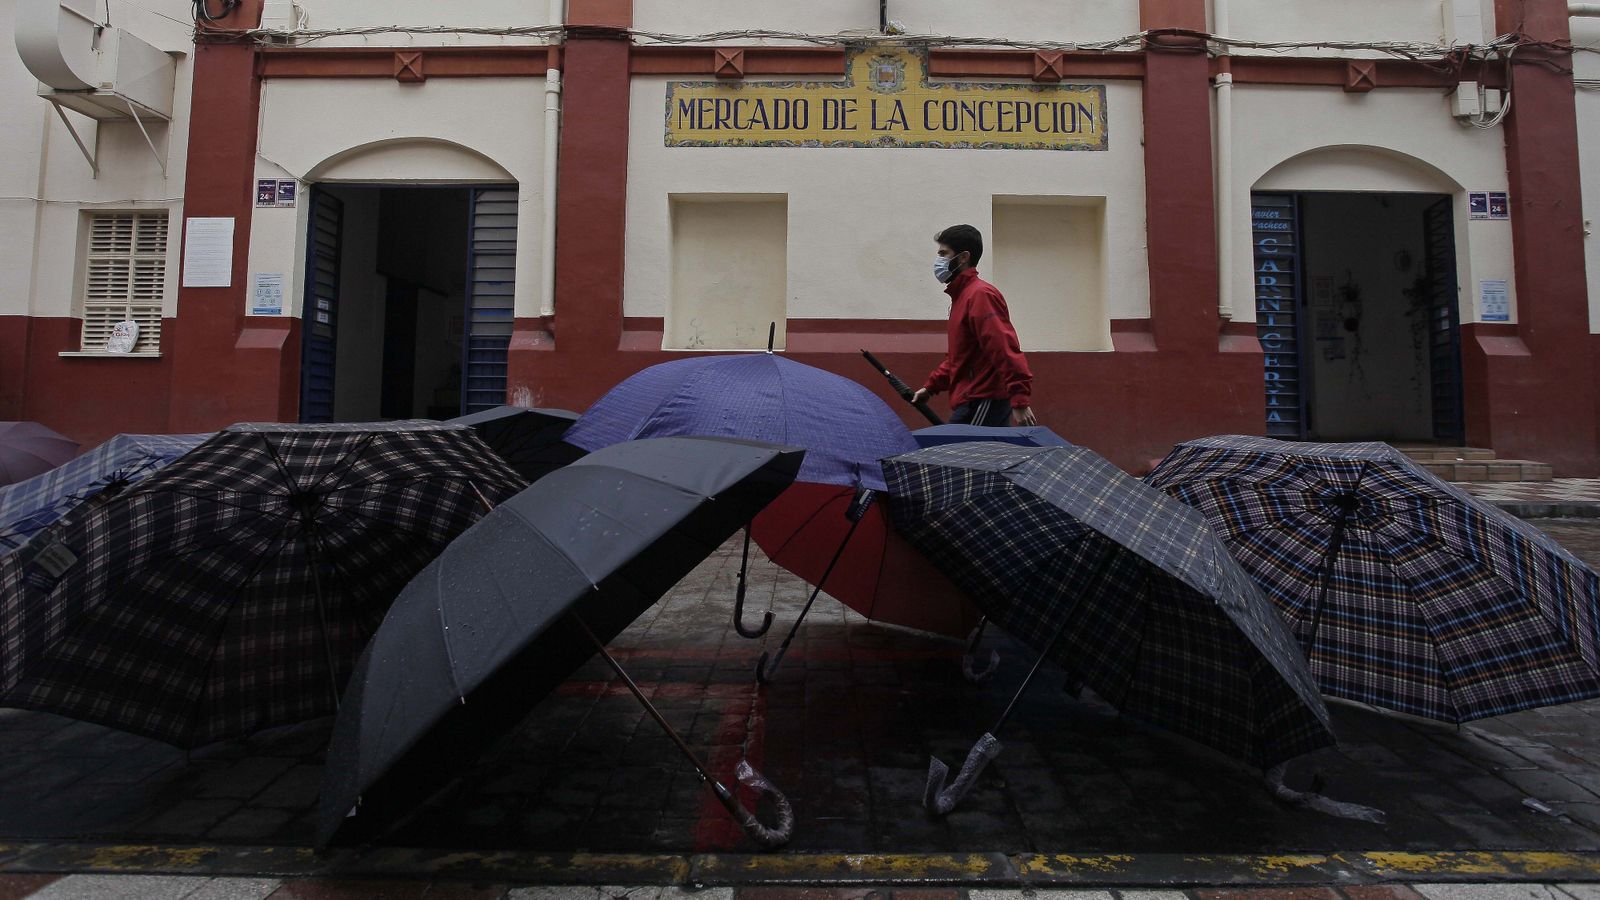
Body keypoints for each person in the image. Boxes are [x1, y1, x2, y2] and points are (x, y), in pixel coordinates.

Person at [910, 225, 1037, 427]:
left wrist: (1019, 400)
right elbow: (960, 356)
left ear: (963, 258)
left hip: (983, 399)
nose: (938, 261)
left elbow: (1003, 347)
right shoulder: (962, 297)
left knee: (957, 455)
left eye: (944, 254)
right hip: (974, 399)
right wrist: (931, 388)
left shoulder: (980, 295)